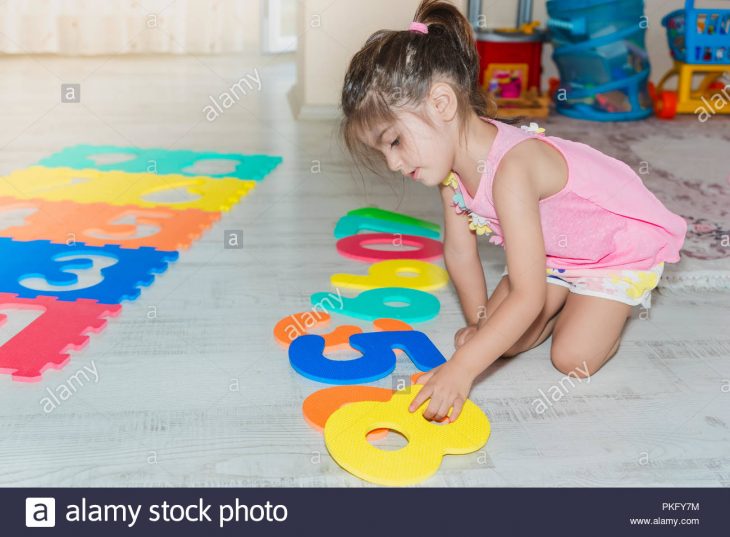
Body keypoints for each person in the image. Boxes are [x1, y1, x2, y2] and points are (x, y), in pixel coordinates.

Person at [339, 0, 687, 423]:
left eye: (394, 141)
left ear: (442, 104)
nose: (393, 164)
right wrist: (481, 324)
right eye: (383, 152)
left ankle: (612, 306)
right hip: (554, 255)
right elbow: (460, 254)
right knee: (502, 340)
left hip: (612, 250)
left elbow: (526, 294)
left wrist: (463, 370)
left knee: (571, 359)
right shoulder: (450, 173)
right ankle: (565, 299)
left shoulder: (512, 169)